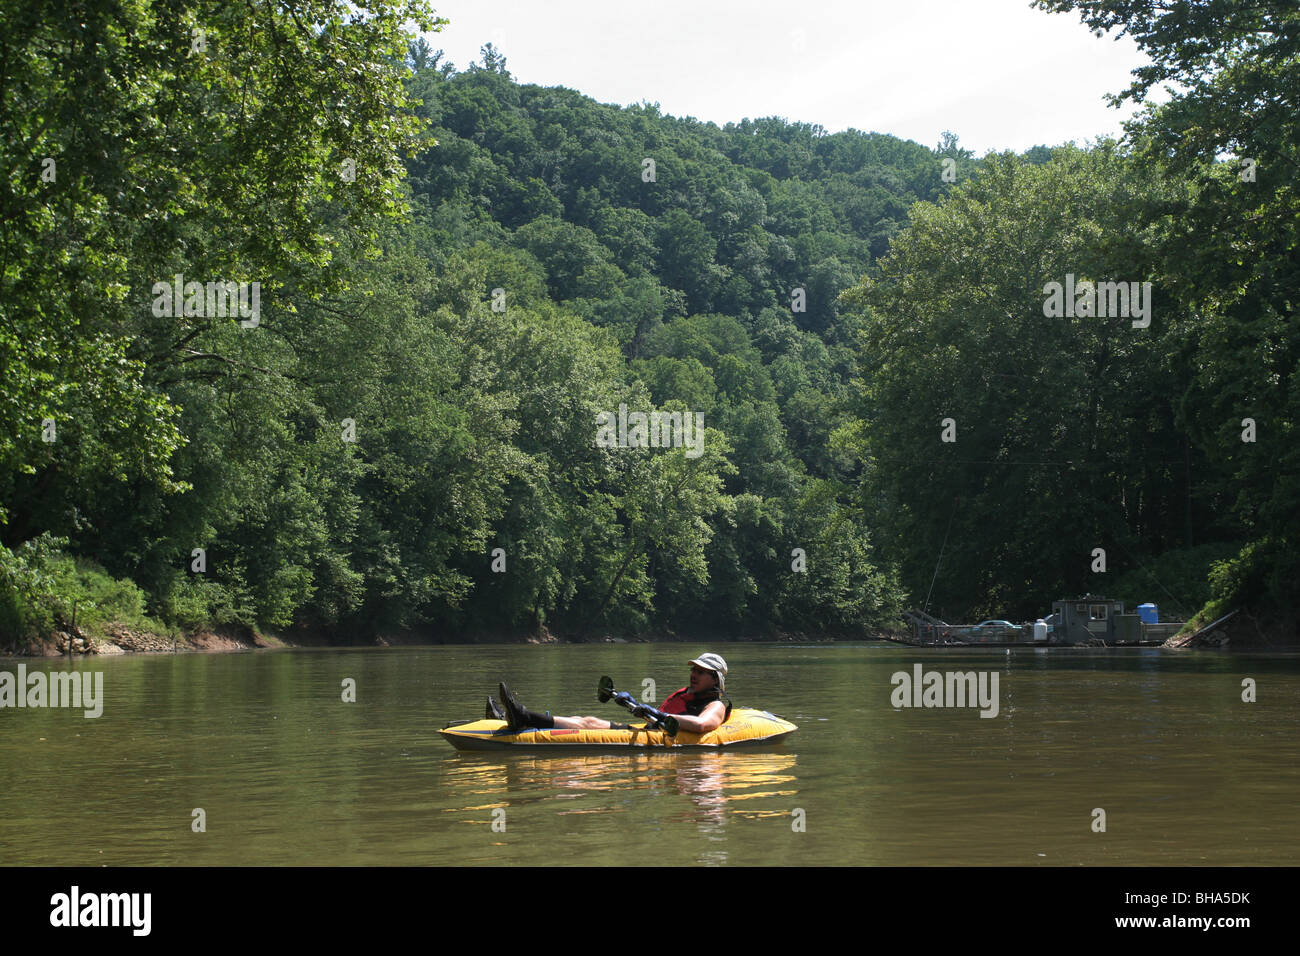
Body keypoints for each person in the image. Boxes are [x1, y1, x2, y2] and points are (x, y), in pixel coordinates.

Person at [493, 653, 732, 734]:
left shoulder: (715, 705)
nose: (694, 674)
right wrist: (635, 704)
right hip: (651, 732)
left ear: (715, 679)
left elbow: (702, 725)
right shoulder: (687, 693)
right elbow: (656, 716)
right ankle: (513, 718)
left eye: (702, 672)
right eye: (694, 669)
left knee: (587, 722)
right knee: (582, 719)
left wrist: (653, 712)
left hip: (660, 739)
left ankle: (522, 717)